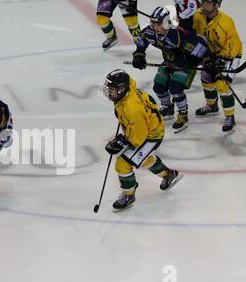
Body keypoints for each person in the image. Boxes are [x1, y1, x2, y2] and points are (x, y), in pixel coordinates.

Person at [103, 69, 183, 210]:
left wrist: (122, 141)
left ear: (121, 89)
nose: (109, 92)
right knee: (141, 157)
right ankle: (169, 174)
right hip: (147, 128)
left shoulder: (132, 109)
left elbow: (138, 138)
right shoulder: (129, 90)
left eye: (112, 89)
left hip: (150, 136)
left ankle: (129, 195)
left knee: (122, 164)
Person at [132, 6, 209, 132]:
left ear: (166, 22)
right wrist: (139, 54)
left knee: (175, 88)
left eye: (157, 24)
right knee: (158, 87)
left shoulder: (178, 35)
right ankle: (168, 107)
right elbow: (142, 38)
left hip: (185, 64)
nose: (154, 27)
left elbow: (200, 47)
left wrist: (209, 60)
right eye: (153, 23)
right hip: (169, 62)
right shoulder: (151, 32)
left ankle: (183, 114)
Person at [192, 0, 243, 133]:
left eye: (209, 3)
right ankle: (212, 106)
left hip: (229, 55)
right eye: (203, 2)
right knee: (205, 79)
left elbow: (234, 45)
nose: (205, 5)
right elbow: (193, 34)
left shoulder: (226, 22)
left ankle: (230, 116)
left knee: (222, 85)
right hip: (212, 54)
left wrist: (222, 60)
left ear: (216, 4)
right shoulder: (198, 15)